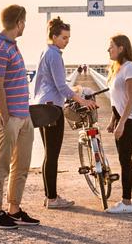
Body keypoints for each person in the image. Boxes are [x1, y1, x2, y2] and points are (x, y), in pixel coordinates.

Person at [0, 4, 39, 229]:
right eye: (24, 21)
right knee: (2, 166)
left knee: (21, 165)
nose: (25, 25)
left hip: (23, 116)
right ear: (18, 23)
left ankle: (14, 209)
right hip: (9, 118)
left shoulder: (12, 47)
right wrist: (6, 118)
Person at [29, 17, 88, 210]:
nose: (67, 41)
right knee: (52, 155)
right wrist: (81, 99)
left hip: (41, 105)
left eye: (68, 38)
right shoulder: (54, 54)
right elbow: (61, 86)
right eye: (64, 37)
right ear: (53, 36)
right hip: (51, 109)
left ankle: (50, 196)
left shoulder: (46, 52)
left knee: (49, 154)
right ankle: (53, 198)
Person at [106, 34, 132, 213]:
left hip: (131, 119)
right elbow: (117, 99)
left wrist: (121, 123)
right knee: (127, 159)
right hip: (123, 117)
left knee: (124, 160)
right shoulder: (118, 68)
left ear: (121, 48)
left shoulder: (130, 68)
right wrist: (113, 120)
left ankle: (126, 202)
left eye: (111, 46)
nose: (108, 49)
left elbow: (131, 99)